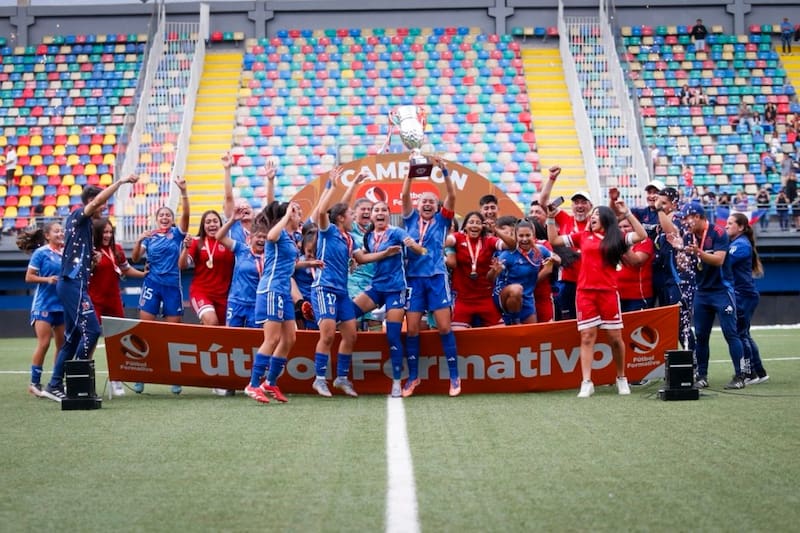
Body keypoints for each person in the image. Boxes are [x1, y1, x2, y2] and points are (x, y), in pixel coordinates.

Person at [41, 174, 139, 402]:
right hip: (71, 283)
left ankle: (54, 384)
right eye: (102, 203)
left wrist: (91, 260)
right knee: (93, 331)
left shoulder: (85, 228)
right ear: (92, 201)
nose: (104, 207)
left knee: (73, 337)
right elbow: (95, 203)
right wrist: (121, 182)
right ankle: (77, 381)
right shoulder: (78, 215)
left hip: (74, 284)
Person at [310, 169, 399, 398]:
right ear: (342, 218)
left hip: (341, 292)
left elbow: (361, 258)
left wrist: (385, 253)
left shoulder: (349, 239)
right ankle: (319, 379)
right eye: (351, 214)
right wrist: (332, 184)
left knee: (351, 336)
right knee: (328, 335)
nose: (356, 216)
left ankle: (341, 378)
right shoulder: (327, 231)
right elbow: (323, 210)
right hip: (324, 288)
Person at [547, 201, 647, 398]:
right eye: (591, 215)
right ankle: (586, 382)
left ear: (606, 219)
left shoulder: (616, 238)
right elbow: (554, 240)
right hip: (585, 293)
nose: (592, 217)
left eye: (596, 214)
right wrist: (550, 218)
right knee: (586, 336)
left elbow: (642, 235)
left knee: (615, 339)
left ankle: (621, 378)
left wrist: (627, 213)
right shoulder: (582, 236)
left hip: (608, 293)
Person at [401, 156, 462, 397]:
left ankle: (455, 377)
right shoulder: (410, 219)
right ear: (418, 205)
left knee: (445, 328)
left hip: (436, 277)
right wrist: (411, 172)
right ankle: (414, 377)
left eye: (431, 202)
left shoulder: (442, 220)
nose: (427, 204)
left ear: (437, 207)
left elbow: (453, 196)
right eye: (424, 201)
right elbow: (405, 196)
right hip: (414, 280)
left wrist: (445, 172)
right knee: (413, 329)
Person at [352, 200, 426, 397]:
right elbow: (366, 255)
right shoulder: (368, 236)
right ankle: (342, 371)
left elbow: (418, 249)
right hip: (377, 287)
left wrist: (416, 247)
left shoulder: (396, 232)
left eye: (384, 210)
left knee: (392, 335)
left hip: (396, 289)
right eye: (377, 210)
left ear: (388, 214)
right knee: (348, 314)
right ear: (372, 216)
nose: (380, 213)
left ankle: (396, 381)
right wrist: (355, 263)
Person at [131, 179, 189, 394]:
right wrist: (138, 241)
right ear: (156, 219)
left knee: (172, 334)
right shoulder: (150, 237)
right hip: (152, 285)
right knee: (146, 331)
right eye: (161, 215)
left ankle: (174, 377)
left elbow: (186, 217)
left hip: (173, 286)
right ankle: (140, 375)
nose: (165, 218)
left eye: (168, 215)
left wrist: (183, 193)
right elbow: (136, 258)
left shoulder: (176, 235)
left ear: (172, 219)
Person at [678, 202, 746, 390]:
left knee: (730, 333)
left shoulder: (718, 232)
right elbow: (690, 265)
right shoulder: (687, 236)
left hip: (722, 290)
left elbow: (718, 260)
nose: (685, 222)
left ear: (699, 217)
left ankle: (740, 376)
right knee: (701, 335)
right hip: (702, 291)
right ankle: (702, 375)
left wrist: (698, 252)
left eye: (687, 218)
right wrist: (682, 261)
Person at [243, 200, 304, 404]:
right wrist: (287, 215)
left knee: (290, 339)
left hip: (284, 292)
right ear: (287, 216)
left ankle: (269, 382)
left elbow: (289, 264)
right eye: (297, 214)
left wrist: (309, 263)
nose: (300, 217)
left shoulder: (290, 237)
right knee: (272, 339)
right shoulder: (276, 234)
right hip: (271, 290)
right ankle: (252, 385)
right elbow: (270, 236)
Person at [89, 218, 145, 397]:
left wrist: (143, 274)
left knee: (117, 340)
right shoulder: (90, 250)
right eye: (104, 232)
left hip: (114, 299)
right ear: (97, 233)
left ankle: (117, 380)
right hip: (94, 300)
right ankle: (85, 380)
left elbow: (126, 269)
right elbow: (83, 272)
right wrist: (92, 262)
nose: (107, 235)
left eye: (109, 232)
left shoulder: (117, 249)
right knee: (90, 339)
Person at [17, 222, 66, 397]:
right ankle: (34, 383)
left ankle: (56, 382)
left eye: (62, 231)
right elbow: (28, 277)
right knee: (44, 343)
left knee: (62, 346)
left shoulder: (65, 253)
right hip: (44, 305)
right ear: (47, 235)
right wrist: (47, 280)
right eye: (56, 231)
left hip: (61, 305)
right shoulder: (41, 253)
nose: (61, 233)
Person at [539, 166, 592, 320]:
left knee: (588, 319)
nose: (580, 206)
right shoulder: (565, 219)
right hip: (568, 280)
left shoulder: (596, 222)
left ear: (591, 206)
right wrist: (551, 179)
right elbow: (543, 202)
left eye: (584, 202)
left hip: (590, 282)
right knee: (568, 321)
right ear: (572, 206)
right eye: (576, 203)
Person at [446, 211, 510, 330]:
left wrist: (496, 229)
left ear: (483, 226)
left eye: (478, 223)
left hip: (485, 298)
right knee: (458, 336)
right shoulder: (458, 238)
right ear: (465, 226)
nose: (474, 225)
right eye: (471, 222)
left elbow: (511, 245)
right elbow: (445, 242)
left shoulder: (489, 241)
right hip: (463, 299)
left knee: (501, 333)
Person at [725, 213, 769, 385]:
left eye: (730, 223)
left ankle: (750, 373)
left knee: (740, 334)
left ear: (741, 227)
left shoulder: (740, 245)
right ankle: (760, 371)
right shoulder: (738, 243)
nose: (726, 226)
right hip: (744, 294)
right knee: (744, 334)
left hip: (743, 294)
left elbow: (724, 262)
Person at [489, 219, 552, 325]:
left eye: (528, 235)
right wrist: (494, 271)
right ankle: (515, 322)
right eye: (521, 236)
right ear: (515, 236)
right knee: (517, 289)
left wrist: (552, 261)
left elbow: (556, 259)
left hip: (527, 297)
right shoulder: (508, 255)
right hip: (506, 297)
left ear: (533, 235)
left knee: (531, 335)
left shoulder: (540, 250)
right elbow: (490, 278)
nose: (524, 239)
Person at [616, 216, 655, 312]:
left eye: (626, 226)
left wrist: (621, 244)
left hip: (637, 297)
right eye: (619, 227)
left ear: (634, 227)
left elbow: (636, 261)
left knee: (636, 327)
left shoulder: (644, 241)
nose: (622, 230)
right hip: (617, 295)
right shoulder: (615, 243)